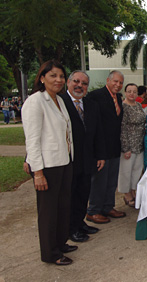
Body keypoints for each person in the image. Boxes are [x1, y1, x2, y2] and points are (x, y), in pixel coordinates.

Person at [22, 60, 76, 265]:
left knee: (63, 207)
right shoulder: (35, 102)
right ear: (42, 78)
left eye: (61, 76)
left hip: (64, 162)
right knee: (48, 212)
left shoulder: (59, 100)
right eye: (53, 75)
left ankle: (60, 243)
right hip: (47, 166)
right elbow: (32, 140)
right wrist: (38, 172)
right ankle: (50, 253)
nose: (59, 80)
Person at [59, 71, 106, 243]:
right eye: (76, 81)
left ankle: (80, 223)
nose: (80, 85)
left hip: (88, 158)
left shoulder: (91, 104)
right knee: (70, 195)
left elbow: (98, 131)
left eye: (84, 83)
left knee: (83, 192)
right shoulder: (60, 103)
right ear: (68, 82)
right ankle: (71, 229)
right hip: (68, 159)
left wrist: (100, 154)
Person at [86, 71, 126, 224]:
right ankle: (93, 210)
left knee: (111, 180)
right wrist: (96, 151)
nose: (118, 85)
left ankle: (108, 207)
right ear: (108, 80)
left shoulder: (118, 97)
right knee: (99, 181)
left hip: (114, 146)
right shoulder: (95, 96)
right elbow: (92, 125)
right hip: (100, 148)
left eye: (120, 82)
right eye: (115, 81)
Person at [118, 83, 146, 207]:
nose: (132, 94)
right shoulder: (123, 107)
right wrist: (126, 148)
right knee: (126, 171)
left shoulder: (139, 105)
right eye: (129, 91)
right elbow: (122, 128)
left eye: (134, 91)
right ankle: (127, 194)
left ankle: (133, 191)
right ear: (125, 92)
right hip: (128, 144)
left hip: (140, 143)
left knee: (136, 170)